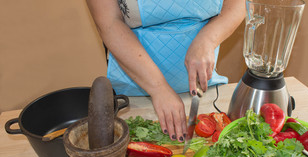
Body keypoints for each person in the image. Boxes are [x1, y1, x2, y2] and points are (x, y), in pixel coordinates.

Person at [86, 0, 245, 142]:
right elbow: (109, 22)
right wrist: (158, 87)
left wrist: (208, 39)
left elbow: (237, 4)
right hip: (135, 97)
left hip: (204, 91)